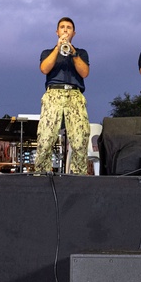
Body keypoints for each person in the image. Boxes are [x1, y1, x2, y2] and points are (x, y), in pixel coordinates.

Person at [34, 17, 90, 174]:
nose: (65, 30)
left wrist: (73, 52)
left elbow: (84, 72)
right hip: (54, 94)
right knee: (46, 138)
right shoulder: (47, 52)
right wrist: (57, 48)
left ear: (74, 33)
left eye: (69, 28)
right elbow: (44, 69)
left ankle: (79, 176)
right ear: (57, 32)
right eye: (62, 27)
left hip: (75, 95)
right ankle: (41, 174)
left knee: (80, 140)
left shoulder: (81, 53)